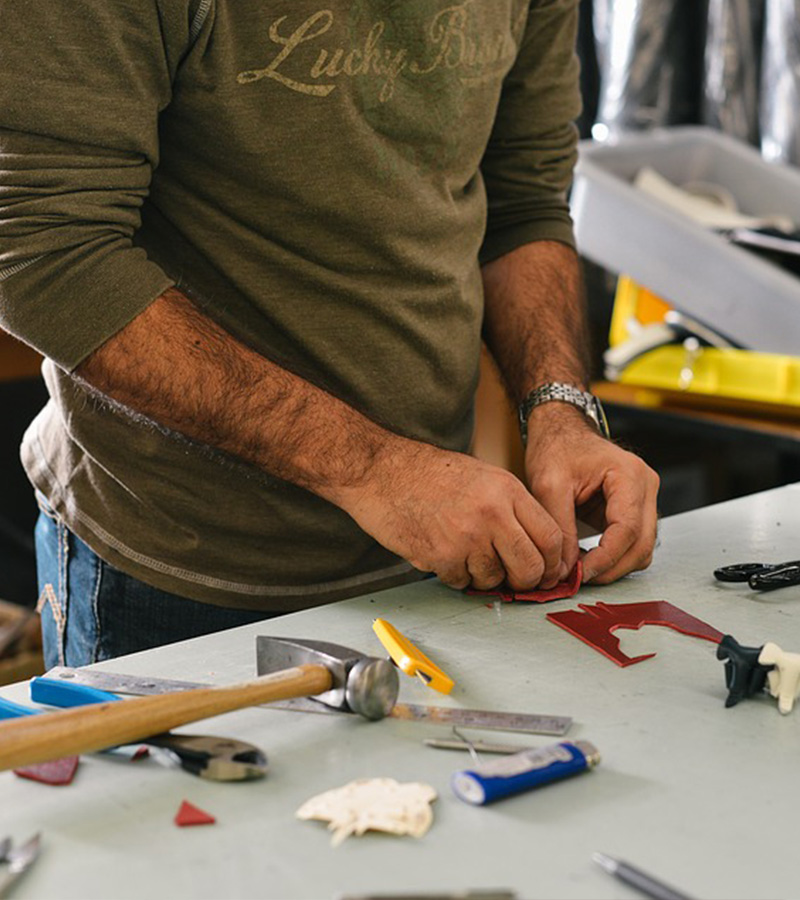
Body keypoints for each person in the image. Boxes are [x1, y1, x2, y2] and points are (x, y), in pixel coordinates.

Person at [0, 1, 659, 670]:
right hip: (182, 570)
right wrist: (375, 471)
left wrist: (560, 413)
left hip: (434, 550)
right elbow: (40, 251)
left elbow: (524, 201)